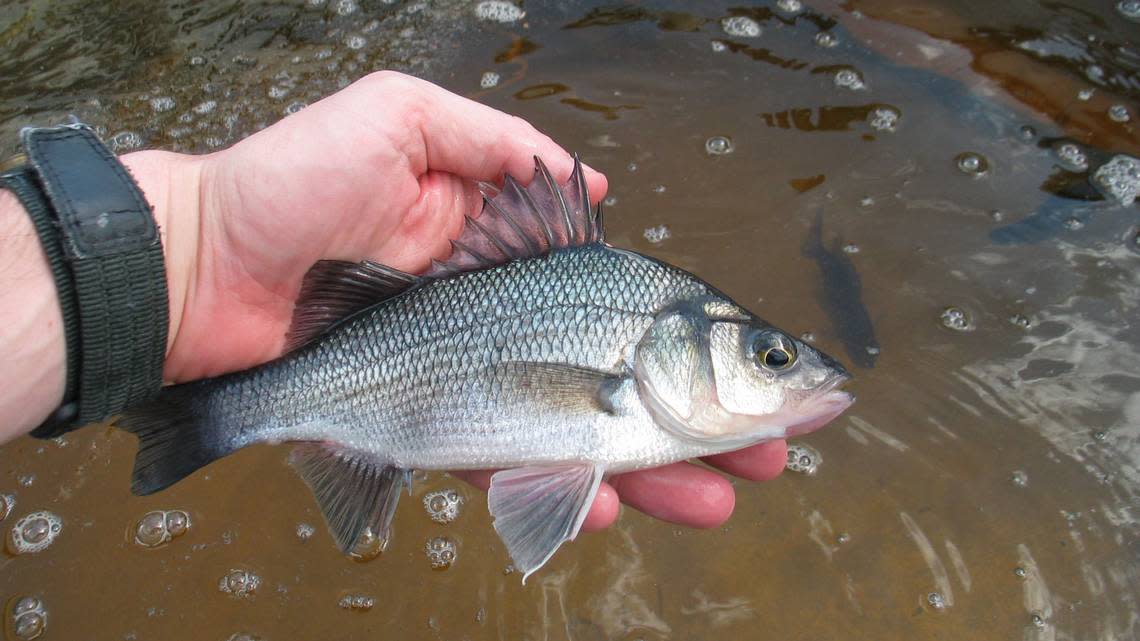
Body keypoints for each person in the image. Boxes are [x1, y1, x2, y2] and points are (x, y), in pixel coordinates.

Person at [0, 70, 787, 534]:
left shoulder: (639, 337)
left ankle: (190, 406)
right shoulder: (635, 323)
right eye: (768, 355)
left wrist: (180, 245)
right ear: (678, 340)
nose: (784, 369)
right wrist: (188, 238)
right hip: (369, 368)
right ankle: (207, 415)